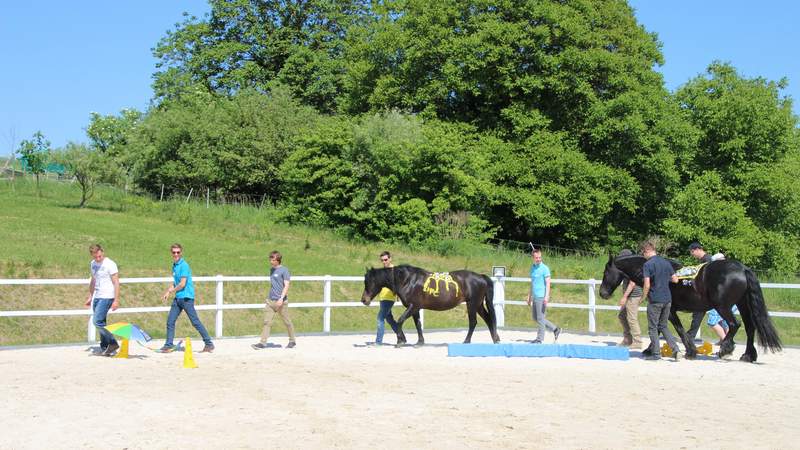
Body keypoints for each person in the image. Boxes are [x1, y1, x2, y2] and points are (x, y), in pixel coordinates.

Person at [159, 243, 214, 353]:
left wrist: (172, 290)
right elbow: (175, 283)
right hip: (178, 298)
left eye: (178, 252)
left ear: (181, 252)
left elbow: (182, 284)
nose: (176, 254)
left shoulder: (184, 265)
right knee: (170, 321)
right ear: (171, 253)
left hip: (187, 298)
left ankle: (209, 344)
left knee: (195, 322)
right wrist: (168, 292)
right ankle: (168, 344)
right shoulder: (174, 265)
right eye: (174, 252)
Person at [641, 240, 681, 360]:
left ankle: (656, 354)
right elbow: (675, 280)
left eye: (643, 253)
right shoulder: (665, 262)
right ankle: (676, 350)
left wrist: (643, 297)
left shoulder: (647, 265)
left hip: (655, 299)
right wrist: (663, 280)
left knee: (653, 328)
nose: (643, 256)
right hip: (667, 299)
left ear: (647, 251)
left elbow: (647, 284)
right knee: (663, 326)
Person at [252, 250, 297, 349]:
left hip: (281, 302)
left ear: (278, 260)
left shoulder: (284, 270)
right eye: (270, 259)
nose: (271, 261)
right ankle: (262, 343)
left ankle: (292, 340)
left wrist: (281, 299)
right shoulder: (271, 270)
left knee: (287, 322)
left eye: (272, 259)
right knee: (267, 322)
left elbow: (286, 285)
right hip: (271, 301)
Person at [85, 244, 120, 356]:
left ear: (102, 252)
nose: (98, 258)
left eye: (100, 256)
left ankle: (113, 342)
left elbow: (116, 282)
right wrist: (90, 296)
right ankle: (106, 347)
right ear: (92, 255)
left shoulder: (110, 264)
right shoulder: (93, 264)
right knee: (102, 322)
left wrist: (116, 300)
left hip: (107, 296)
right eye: (96, 257)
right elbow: (93, 281)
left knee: (97, 321)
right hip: (97, 296)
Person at [526, 248, 561, 343]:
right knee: (535, 318)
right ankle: (555, 329)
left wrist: (546, 296)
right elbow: (532, 283)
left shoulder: (545, 268)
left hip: (542, 297)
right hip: (535, 296)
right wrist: (529, 296)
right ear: (533, 258)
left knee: (540, 319)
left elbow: (548, 283)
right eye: (536, 257)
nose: (538, 259)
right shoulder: (532, 268)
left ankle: (539, 339)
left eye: (540, 257)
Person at [686, 242, 714, 340]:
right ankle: (691, 334)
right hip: (704, 292)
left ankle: (691, 334)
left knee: (698, 311)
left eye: (692, 252)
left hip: (706, 293)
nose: (692, 254)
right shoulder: (704, 260)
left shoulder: (707, 260)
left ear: (698, 249)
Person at [616, 249, 643, 349]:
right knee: (622, 316)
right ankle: (628, 338)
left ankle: (637, 341)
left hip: (634, 295)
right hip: (629, 295)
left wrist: (624, 297)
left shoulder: (633, 267)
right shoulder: (627, 267)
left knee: (632, 318)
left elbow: (632, 283)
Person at [373, 251, 399, 345]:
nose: (384, 262)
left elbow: (398, 284)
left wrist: (398, 295)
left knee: (380, 318)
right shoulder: (382, 271)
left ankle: (378, 342)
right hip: (382, 298)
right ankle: (401, 336)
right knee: (390, 320)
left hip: (389, 298)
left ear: (390, 259)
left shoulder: (394, 270)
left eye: (385, 260)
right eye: (382, 260)